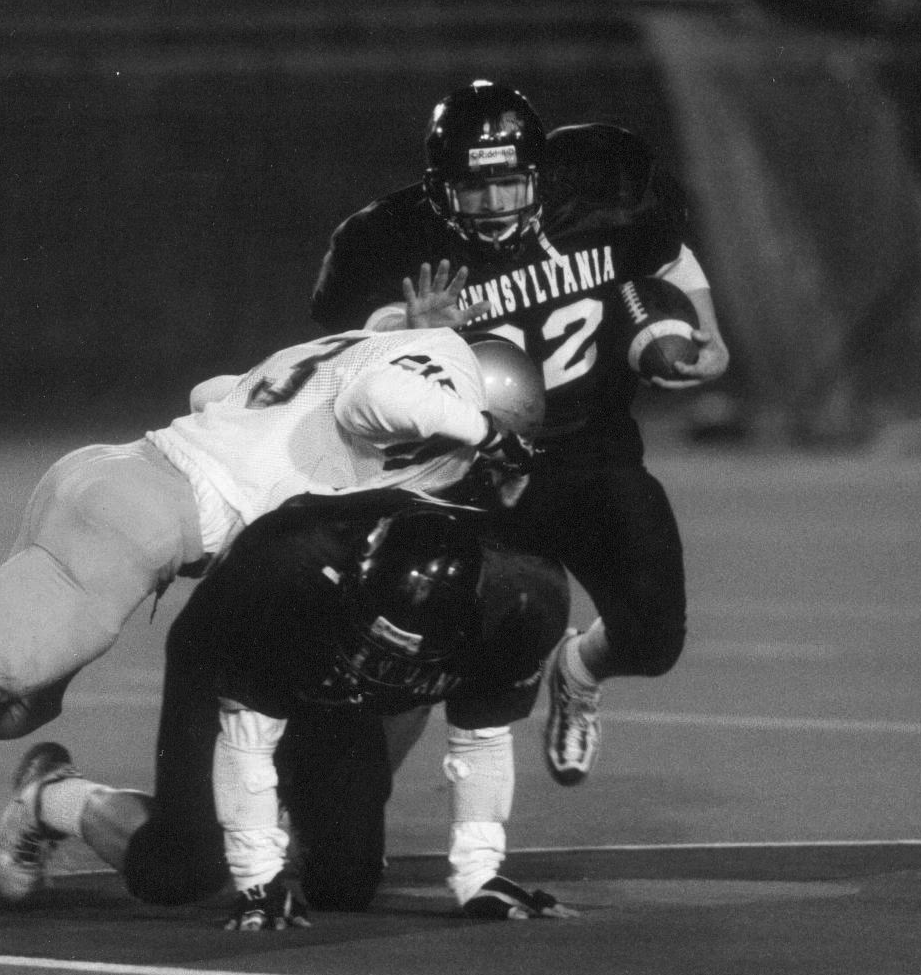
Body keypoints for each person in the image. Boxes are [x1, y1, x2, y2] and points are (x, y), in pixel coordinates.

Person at [0, 326, 546, 943]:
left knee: (9, 709)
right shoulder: (446, 389)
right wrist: (478, 428)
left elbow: (214, 392)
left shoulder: (364, 344)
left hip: (114, 480)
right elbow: (377, 396)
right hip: (147, 519)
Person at [311, 80, 730, 788]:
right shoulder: (391, 241)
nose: (497, 206)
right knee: (424, 655)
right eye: (477, 191)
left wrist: (707, 331)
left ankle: (578, 668)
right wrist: (402, 330)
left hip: (593, 450)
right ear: (440, 186)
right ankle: (338, 816)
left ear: (540, 173)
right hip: (468, 472)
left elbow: (666, 254)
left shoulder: (599, 189)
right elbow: (342, 354)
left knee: (655, 640)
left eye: (511, 185)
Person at [0, 489, 576, 928]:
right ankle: (50, 796)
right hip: (238, 655)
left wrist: (479, 875)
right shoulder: (281, 585)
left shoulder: (526, 605)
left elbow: (477, 736)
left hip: (340, 661)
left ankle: (303, 824)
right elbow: (249, 740)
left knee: (343, 882)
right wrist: (257, 880)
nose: (381, 668)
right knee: (186, 868)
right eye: (377, 648)